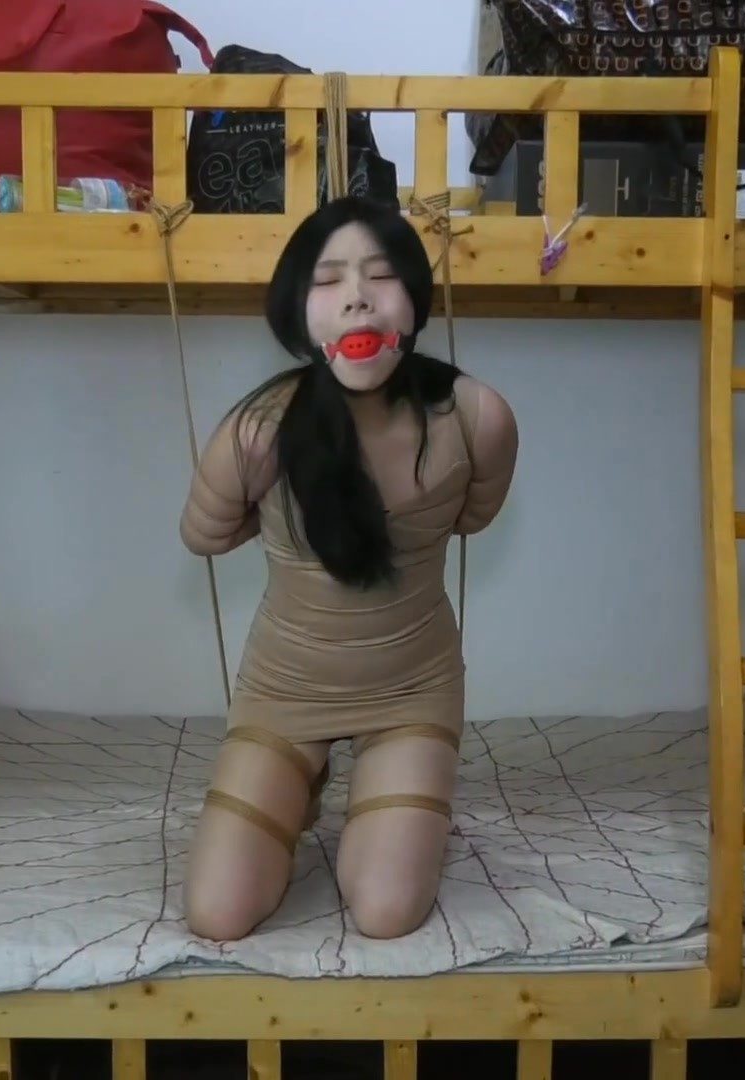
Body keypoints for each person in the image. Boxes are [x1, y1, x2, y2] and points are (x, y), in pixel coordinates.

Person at [177, 195, 518, 941]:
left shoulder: (478, 419)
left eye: (381, 275)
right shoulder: (256, 433)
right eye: (328, 280)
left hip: (412, 693)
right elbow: (201, 537)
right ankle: (302, 778)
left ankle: (387, 785)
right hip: (284, 695)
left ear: (415, 300)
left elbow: (471, 516)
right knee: (217, 913)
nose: (358, 297)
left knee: (386, 912)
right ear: (297, 312)